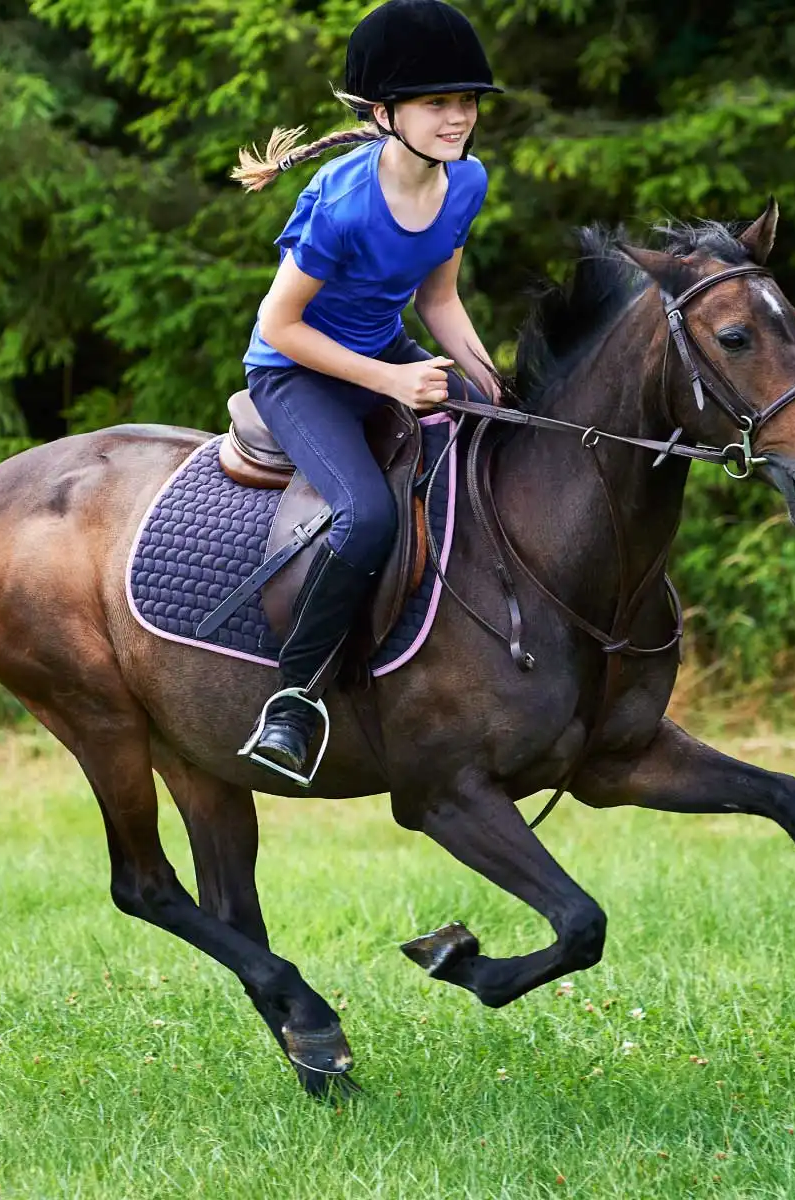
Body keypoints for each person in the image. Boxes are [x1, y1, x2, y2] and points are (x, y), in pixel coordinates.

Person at [232, 0, 503, 781]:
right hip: (296, 373)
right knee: (364, 516)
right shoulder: (344, 200)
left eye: (467, 101)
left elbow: (439, 302)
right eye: (437, 104)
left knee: (496, 447)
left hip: (385, 348)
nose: (458, 119)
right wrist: (390, 379)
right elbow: (279, 325)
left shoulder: (466, 182)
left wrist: (490, 385)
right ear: (385, 113)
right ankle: (294, 700)